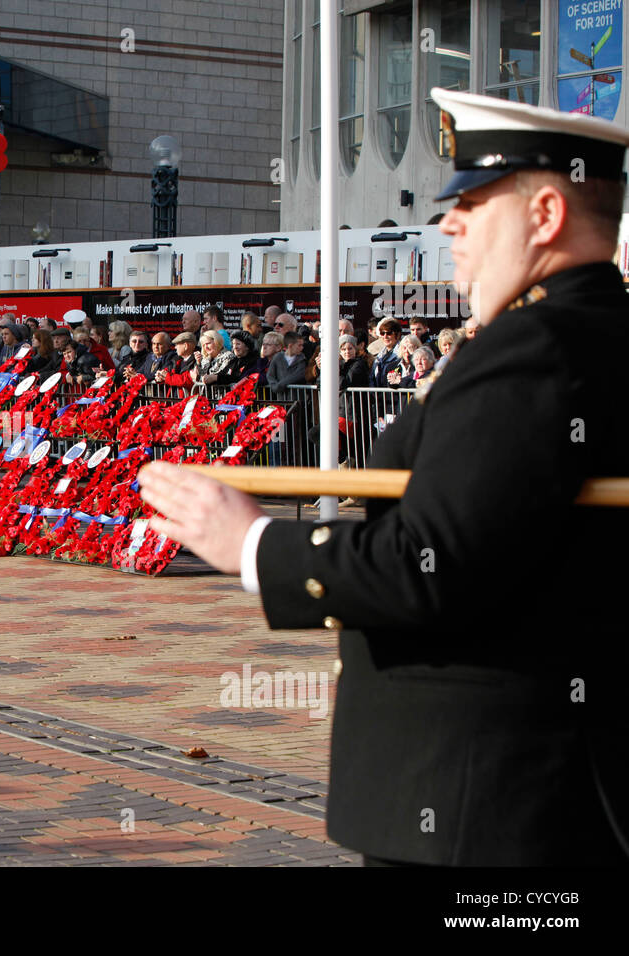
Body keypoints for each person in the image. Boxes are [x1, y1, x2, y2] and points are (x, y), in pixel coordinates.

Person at [138, 87, 629, 867]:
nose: (450, 223)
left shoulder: (536, 348)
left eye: (474, 200)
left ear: (546, 216)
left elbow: (437, 564)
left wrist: (253, 542)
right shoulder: (595, 334)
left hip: (484, 805)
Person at [264, 331, 307, 397]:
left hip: (296, 398)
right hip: (281, 397)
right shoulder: (278, 357)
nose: (302, 348)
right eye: (299, 345)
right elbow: (270, 374)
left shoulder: (301, 359)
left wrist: (280, 385)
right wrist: (273, 385)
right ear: (290, 346)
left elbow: (298, 375)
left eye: (302, 345)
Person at [369, 318, 403, 386]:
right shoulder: (379, 356)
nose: (385, 336)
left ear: (398, 334)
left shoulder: (402, 354)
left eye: (389, 333)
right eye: (382, 333)